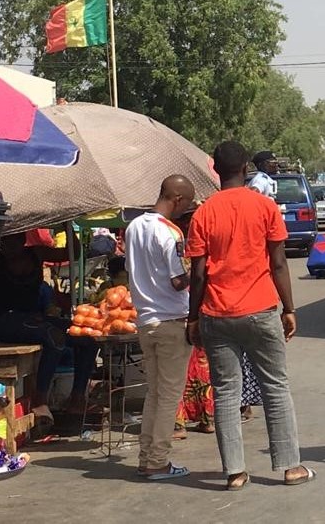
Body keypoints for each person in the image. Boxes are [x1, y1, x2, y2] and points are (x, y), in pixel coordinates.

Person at [186, 141, 314, 489]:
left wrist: (192, 319)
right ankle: (290, 467)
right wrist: (289, 309)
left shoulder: (203, 214)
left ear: (215, 169)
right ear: (246, 168)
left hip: (216, 313)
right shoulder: (265, 207)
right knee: (276, 387)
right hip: (260, 309)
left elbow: (198, 274)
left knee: (226, 393)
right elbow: (278, 263)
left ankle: (235, 473)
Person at [0, 231, 98, 435]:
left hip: (35, 318)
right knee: (53, 337)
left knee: (87, 337)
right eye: (3, 241)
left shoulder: (36, 254)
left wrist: (64, 225)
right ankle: (40, 401)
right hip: (9, 321)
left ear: (21, 240)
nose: (7, 246)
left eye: (11, 241)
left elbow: (72, 253)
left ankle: (77, 397)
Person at [125, 175, 196, 480]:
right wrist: (199, 268)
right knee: (168, 397)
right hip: (171, 320)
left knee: (154, 393)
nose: (188, 208)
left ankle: (146, 457)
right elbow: (178, 281)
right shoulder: (171, 233)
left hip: (145, 320)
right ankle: (158, 461)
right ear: (177, 199)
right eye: (188, 202)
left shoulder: (133, 227)